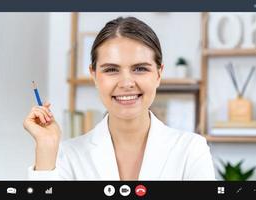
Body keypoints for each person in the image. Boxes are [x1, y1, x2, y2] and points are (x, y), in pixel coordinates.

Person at [23, 16, 215, 180]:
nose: (126, 83)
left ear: (158, 74)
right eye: (111, 70)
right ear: (94, 75)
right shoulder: (68, 156)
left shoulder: (191, 150)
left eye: (140, 68)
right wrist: (46, 147)